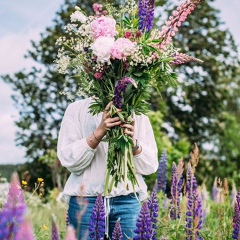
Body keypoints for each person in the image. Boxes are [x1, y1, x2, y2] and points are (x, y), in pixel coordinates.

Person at [57, 97, 158, 239]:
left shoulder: (136, 110)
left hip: (127, 200)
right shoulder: (76, 109)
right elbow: (69, 160)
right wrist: (99, 132)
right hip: (86, 200)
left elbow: (150, 165)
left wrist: (133, 143)